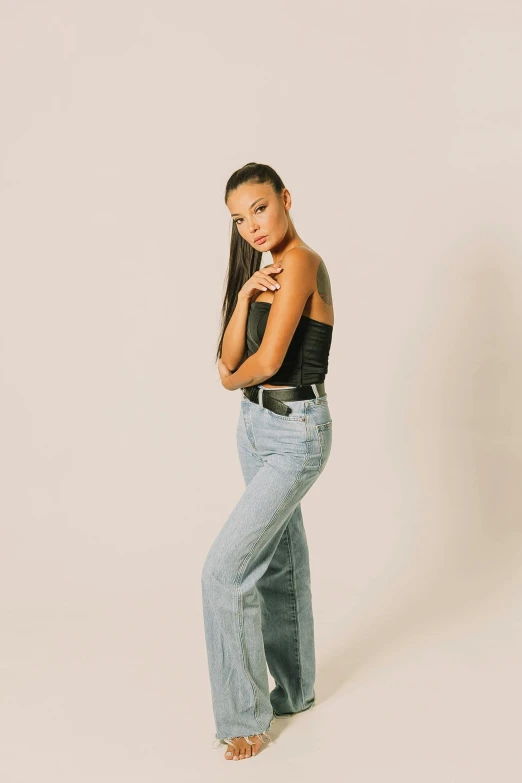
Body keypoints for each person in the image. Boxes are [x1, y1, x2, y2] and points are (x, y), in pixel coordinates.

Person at [202, 162, 334, 761]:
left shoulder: (303, 261)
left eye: (258, 208)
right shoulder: (266, 272)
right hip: (255, 429)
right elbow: (229, 352)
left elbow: (268, 359)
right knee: (280, 562)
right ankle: (298, 689)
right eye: (238, 219)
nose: (251, 226)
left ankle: (246, 718)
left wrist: (231, 379)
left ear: (284, 198)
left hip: (295, 431)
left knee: (225, 572)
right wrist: (247, 295)